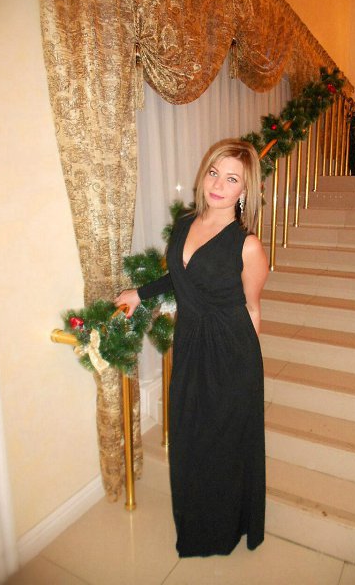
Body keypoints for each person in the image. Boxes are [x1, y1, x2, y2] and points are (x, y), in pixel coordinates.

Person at [115, 139, 269, 557]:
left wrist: (248, 375)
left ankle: (224, 528)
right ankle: (195, 520)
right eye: (214, 173)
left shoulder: (247, 245)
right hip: (189, 346)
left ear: (245, 190)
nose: (218, 184)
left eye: (232, 179)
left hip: (230, 353)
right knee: (188, 437)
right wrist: (140, 293)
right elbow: (180, 276)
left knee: (223, 444)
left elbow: (253, 308)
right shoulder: (185, 224)